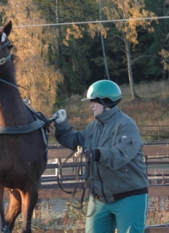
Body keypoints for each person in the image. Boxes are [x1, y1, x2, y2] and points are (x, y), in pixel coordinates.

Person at [53, 80, 149, 233]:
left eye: (94, 102)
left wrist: (97, 153)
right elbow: (75, 140)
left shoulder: (126, 125)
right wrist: (62, 124)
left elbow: (121, 154)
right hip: (99, 198)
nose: (91, 106)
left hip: (129, 196)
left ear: (107, 102)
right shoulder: (93, 127)